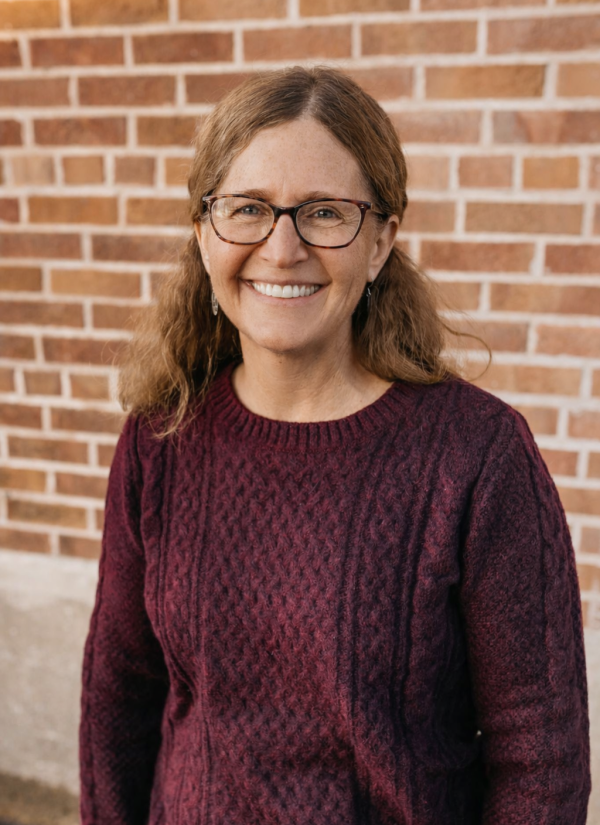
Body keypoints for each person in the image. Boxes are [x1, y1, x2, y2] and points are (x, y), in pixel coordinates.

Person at [78, 66, 590, 825]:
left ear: (382, 240)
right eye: (247, 209)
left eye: (324, 212)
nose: (282, 248)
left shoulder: (476, 457)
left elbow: (540, 758)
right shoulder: (162, 439)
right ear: (203, 231)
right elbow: (117, 698)